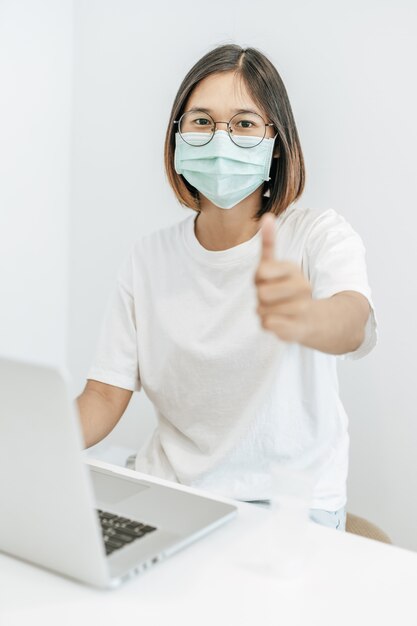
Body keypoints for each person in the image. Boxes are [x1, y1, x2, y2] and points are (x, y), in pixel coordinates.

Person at [76, 44, 377, 532]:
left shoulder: (317, 236)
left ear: (276, 141)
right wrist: (31, 449)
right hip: (170, 492)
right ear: (177, 137)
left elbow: (351, 323)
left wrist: (307, 316)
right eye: (200, 121)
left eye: (243, 123)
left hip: (286, 510)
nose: (221, 139)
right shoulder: (147, 257)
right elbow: (104, 396)